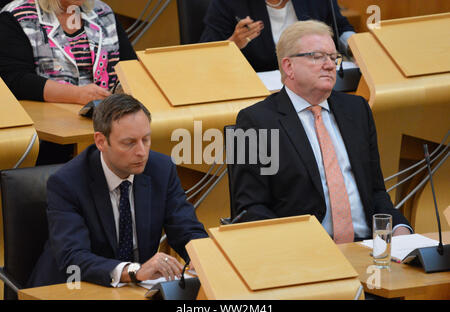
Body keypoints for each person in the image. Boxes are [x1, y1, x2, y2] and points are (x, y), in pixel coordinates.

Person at [232, 20, 412, 243]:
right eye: (317, 57)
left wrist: (399, 229)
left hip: (368, 246)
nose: (329, 65)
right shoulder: (254, 121)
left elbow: (375, 191)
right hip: (305, 252)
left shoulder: (357, 110)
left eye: (333, 57)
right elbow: (250, 208)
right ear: (288, 66)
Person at [27, 93, 208, 287]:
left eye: (146, 139)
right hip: (73, 288)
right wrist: (133, 271)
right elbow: (74, 258)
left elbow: (186, 229)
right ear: (101, 142)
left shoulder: (161, 169)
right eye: (129, 143)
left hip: (134, 289)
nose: (142, 152)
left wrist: (206, 261)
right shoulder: (67, 183)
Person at [0, 0, 137, 104]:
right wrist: (77, 95)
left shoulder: (102, 11)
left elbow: (131, 67)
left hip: (108, 118)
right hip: (49, 126)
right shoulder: (18, 16)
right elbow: (14, 80)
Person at [200, 0, 355, 72]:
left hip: (313, 83)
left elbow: (340, 28)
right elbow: (205, 55)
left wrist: (355, 47)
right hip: (258, 93)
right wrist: (234, 43)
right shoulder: (228, 3)